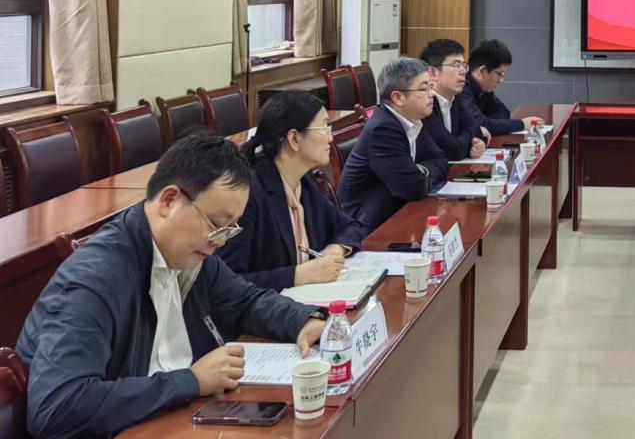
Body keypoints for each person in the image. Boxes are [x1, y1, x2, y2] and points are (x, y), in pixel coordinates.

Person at [18, 134, 325, 439]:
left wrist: (303, 320)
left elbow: (245, 301)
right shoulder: (95, 278)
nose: (219, 242)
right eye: (216, 225)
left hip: (176, 420)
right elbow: (56, 407)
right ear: (168, 201)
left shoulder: (190, 255)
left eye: (229, 229)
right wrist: (190, 381)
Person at [218, 92, 368, 290]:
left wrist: (337, 248)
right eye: (323, 127)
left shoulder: (305, 183)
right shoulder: (250, 194)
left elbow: (351, 226)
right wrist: (297, 275)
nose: (331, 138)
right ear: (294, 138)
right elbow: (227, 283)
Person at [337, 56, 450, 232]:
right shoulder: (383, 130)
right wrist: (419, 173)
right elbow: (414, 188)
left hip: (396, 212)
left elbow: (441, 160)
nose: (432, 94)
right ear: (398, 98)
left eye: (430, 87)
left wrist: (420, 170)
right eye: (424, 88)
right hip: (368, 227)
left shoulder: (413, 120)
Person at [420, 38, 488, 160]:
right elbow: (452, 150)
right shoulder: (425, 102)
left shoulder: (454, 97)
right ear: (432, 72)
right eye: (456, 65)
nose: (463, 71)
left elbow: (476, 130)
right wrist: (471, 139)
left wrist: (478, 143)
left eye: (464, 65)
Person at [461, 38, 544, 136]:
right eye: (500, 74)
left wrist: (491, 125)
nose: (501, 80)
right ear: (482, 71)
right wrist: (523, 124)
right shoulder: (461, 89)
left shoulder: (485, 89)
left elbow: (503, 111)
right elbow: (479, 124)